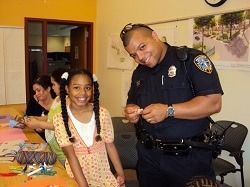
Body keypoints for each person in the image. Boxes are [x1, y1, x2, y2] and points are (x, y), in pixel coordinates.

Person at [120, 23, 224, 187]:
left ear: (155, 36)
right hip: (149, 157)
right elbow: (131, 103)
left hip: (188, 159)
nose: (140, 57)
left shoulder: (189, 60)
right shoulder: (139, 72)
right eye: (133, 55)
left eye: (142, 47)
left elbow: (213, 103)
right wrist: (130, 112)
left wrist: (168, 110)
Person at [53, 68, 125, 187]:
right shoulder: (60, 119)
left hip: (103, 175)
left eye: (87, 88)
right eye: (76, 87)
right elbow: (71, 156)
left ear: (92, 89)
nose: (83, 93)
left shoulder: (102, 113)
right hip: (77, 177)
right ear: (67, 89)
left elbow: (110, 146)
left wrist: (120, 173)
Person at [24, 68, 67, 165]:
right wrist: (35, 119)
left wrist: (39, 123)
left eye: (53, 84)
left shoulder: (67, 103)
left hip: (63, 152)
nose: (52, 87)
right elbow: (50, 117)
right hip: (54, 149)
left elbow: (59, 125)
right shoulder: (58, 100)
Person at [25, 75, 56, 140]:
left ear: (48, 89)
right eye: (35, 91)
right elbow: (28, 116)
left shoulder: (58, 103)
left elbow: (57, 125)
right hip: (36, 136)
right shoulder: (34, 100)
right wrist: (26, 122)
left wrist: (41, 126)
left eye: (38, 90)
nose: (36, 94)